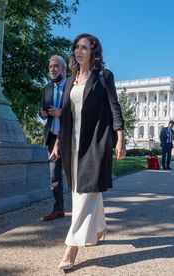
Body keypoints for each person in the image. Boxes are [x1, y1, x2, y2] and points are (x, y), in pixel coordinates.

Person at [50, 34, 126, 270]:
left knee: (86, 190)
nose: (79, 51)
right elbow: (66, 114)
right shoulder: (70, 81)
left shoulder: (104, 76)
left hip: (95, 141)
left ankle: (71, 249)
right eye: (76, 47)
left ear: (94, 52)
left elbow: (114, 106)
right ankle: (100, 226)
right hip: (72, 143)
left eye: (84, 47)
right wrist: (57, 141)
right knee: (78, 190)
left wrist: (120, 137)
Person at [39, 55, 67, 221]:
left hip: (69, 137)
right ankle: (59, 209)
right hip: (52, 137)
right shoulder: (47, 89)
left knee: (74, 175)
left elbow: (78, 112)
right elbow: (41, 111)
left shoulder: (72, 86)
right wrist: (42, 113)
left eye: (56, 66)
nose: (53, 69)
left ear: (63, 69)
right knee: (54, 176)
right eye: (50, 67)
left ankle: (82, 211)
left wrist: (61, 112)